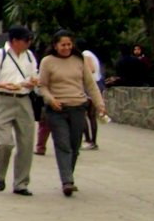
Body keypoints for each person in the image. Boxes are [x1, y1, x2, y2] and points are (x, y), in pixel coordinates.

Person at [37, 30, 107, 197]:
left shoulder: (79, 60)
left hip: (78, 108)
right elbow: (42, 86)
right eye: (63, 45)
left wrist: (100, 104)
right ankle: (67, 181)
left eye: (69, 44)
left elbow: (90, 85)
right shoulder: (47, 61)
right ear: (55, 45)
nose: (67, 47)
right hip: (57, 110)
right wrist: (50, 99)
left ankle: (68, 175)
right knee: (63, 144)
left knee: (75, 146)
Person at [0, 26, 39, 196]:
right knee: (4, 144)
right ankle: (1, 173)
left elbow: (33, 75)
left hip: (24, 100)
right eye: (26, 40)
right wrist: (0, 84)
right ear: (15, 41)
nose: (29, 43)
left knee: (26, 144)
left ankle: (21, 183)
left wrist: (32, 82)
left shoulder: (29, 56)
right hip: (3, 99)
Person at [78, 39, 104, 151]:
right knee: (91, 115)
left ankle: (89, 140)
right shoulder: (91, 54)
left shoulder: (85, 54)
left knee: (85, 114)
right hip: (97, 83)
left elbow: (91, 69)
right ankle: (92, 141)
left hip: (90, 86)